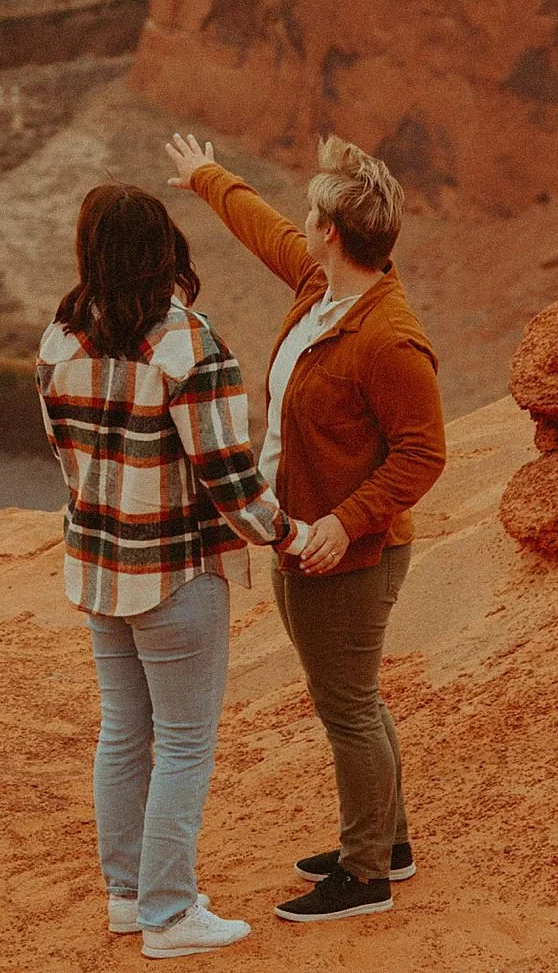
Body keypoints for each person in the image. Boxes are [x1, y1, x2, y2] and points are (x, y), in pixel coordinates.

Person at [165, 129, 446, 927]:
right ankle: (388, 843)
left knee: (348, 707)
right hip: (307, 536)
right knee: (355, 697)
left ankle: (365, 876)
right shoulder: (320, 289)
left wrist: (344, 521)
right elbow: (268, 231)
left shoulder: (387, 339)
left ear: (335, 231)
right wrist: (207, 176)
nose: (302, 223)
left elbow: (424, 454)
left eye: (311, 214)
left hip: (350, 555)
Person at [37, 181, 312, 958]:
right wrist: (284, 532)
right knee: (185, 744)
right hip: (174, 575)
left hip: (98, 568)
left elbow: (66, 457)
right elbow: (227, 473)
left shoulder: (60, 340)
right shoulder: (185, 342)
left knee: (125, 734)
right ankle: (168, 916)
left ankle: (130, 898)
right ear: (165, 248)